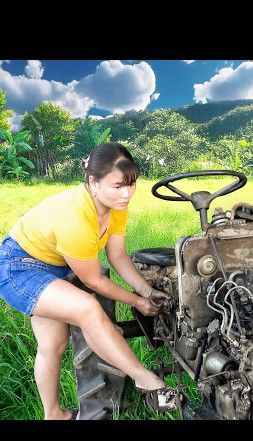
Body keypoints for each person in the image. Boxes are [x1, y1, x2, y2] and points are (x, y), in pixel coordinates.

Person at [0, 142, 183, 420]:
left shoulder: (115, 207)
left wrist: (147, 291)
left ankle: (54, 416)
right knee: (87, 309)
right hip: (20, 268)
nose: (126, 194)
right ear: (93, 181)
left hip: (56, 264)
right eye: (118, 186)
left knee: (53, 345)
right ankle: (147, 380)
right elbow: (94, 280)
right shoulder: (75, 216)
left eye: (131, 184)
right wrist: (136, 302)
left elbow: (118, 255)